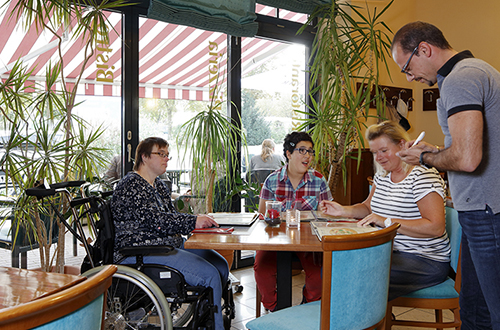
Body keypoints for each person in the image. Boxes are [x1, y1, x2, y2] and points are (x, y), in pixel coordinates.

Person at [392, 21, 500, 329]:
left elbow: (467, 159)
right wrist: (436, 149)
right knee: (474, 310)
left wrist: (425, 157)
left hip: (487, 210)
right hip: (483, 209)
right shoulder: (477, 70)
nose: (410, 77)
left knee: (491, 312)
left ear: (424, 49)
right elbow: (468, 148)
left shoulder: (459, 78)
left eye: (407, 68)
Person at [320, 120, 450, 301]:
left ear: (402, 145)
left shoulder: (422, 176)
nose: (378, 157)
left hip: (424, 260)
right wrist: (343, 211)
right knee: (334, 265)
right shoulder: (383, 176)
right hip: (391, 251)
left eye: (383, 150)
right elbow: (367, 207)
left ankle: (367, 321)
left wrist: (386, 221)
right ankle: (367, 319)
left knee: (353, 273)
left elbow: (435, 227)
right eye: (374, 152)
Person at [111, 137, 229, 330]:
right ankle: (214, 327)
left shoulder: (157, 185)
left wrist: (196, 221)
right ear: (145, 157)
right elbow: (155, 221)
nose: (166, 159)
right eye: (161, 154)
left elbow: (170, 218)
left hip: (165, 245)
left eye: (168, 155)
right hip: (141, 250)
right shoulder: (131, 185)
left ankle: (205, 317)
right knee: (210, 275)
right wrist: (192, 221)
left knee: (220, 265)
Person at [255, 131, 332, 312]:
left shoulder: (319, 180)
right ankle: (275, 311)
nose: (307, 156)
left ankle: (306, 309)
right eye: (302, 150)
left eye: (310, 151)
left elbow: (329, 215)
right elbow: (261, 215)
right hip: (275, 240)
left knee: (318, 275)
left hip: (309, 242)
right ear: (288, 154)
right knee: (261, 269)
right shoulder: (272, 180)